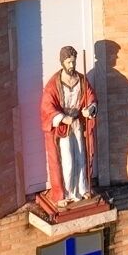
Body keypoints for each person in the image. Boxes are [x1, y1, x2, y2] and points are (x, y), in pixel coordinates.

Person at [40, 45, 97, 206]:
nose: (72, 66)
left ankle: (82, 188)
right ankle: (66, 193)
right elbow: (47, 106)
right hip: (64, 128)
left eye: (73, 62)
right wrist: (63, 118)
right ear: (62, 62)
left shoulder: (81, 80)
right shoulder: (54, 83)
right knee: (68, 160)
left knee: (81, 157)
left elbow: (91, 98)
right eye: (69, 62)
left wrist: (89, 109)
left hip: (78, 124)